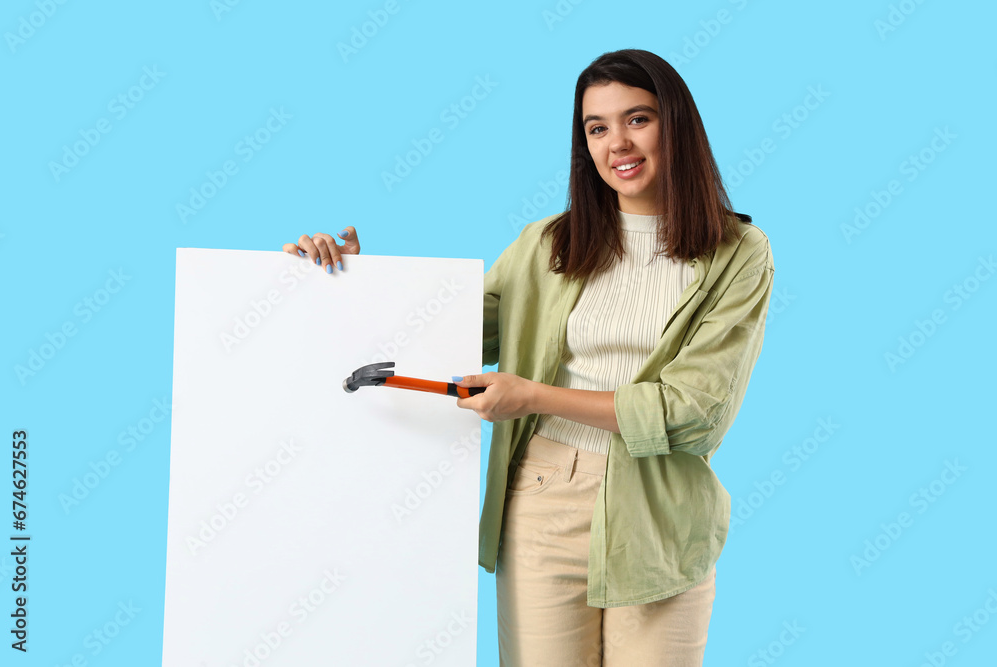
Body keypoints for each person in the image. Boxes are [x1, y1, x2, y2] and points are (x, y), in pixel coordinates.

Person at [283, 48, 774, 667]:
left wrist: (533, 397)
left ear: (677, 124)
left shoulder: (738, 252)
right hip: (543, 497)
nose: (617, 142)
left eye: (638, 119)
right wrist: (359, 273)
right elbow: (445, 338)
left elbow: (693, 412)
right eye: (597, 128)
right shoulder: (549, 244)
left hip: (662, 512)